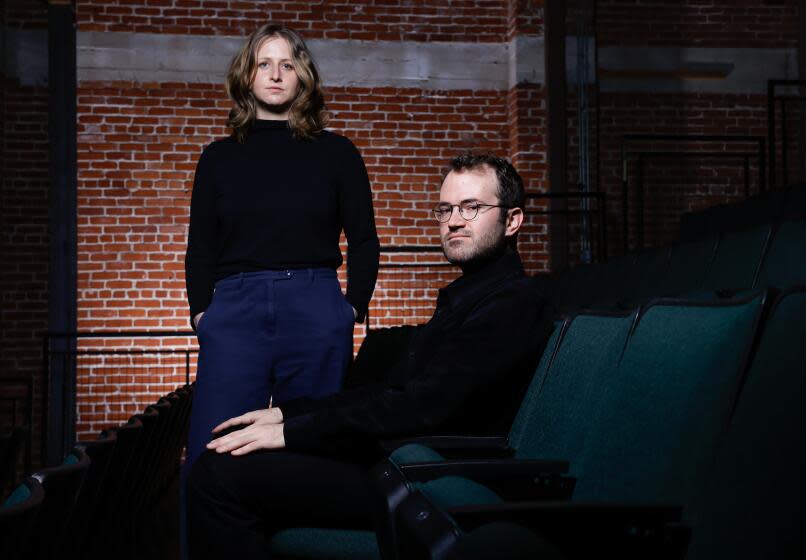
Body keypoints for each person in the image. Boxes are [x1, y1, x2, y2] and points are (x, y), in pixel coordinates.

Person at [186, 153, 555, 558]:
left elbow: (422, 407)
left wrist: (292, 432)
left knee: (218, 476)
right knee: (227, 456)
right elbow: (388, 391)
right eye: (446, 208)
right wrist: (285, 414)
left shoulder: (511, 303)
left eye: (472, 208)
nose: (453, 221)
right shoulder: (468, 298)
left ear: (514, 220)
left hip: (424, 476)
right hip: (399, 462)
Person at [184, 23, 380, 470]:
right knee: (213, 453)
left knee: (318, 450)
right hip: (234, 310)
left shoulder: (338, 153)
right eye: (264, 63)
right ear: (247, 76)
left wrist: (351, 308)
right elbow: (201, 247)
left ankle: (310, 541)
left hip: (315, 306)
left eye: (287, 64)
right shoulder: (218, 157)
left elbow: (365, 240)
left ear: (302, 76)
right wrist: (202, 314)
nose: (275, 74)